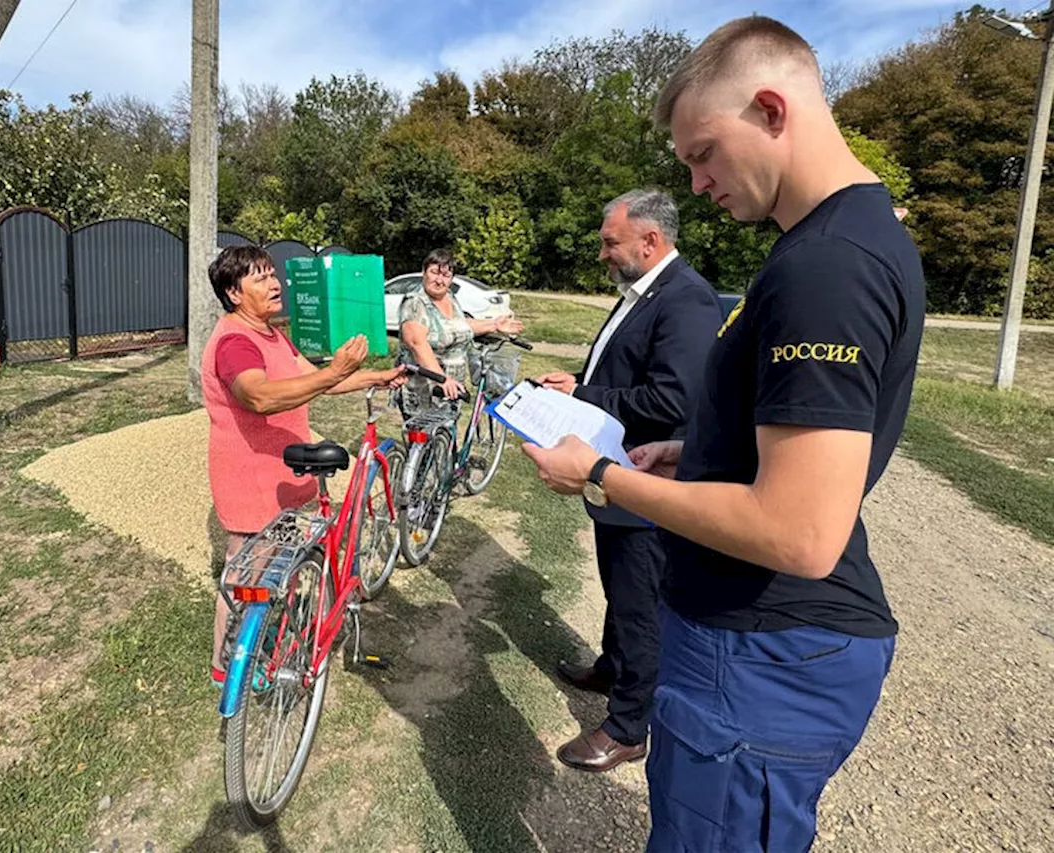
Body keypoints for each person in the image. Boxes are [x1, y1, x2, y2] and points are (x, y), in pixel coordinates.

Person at [522, 16, 925, 851]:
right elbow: (794, 440)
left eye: (703, 152)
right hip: (760, 646)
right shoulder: (829, 242)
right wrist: (696, 450)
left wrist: (601, 474)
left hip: (764, 653)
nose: (699, 183)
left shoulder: (826, 268)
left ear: (772, 109)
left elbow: (801, 531)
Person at [535, 189, 721, 772]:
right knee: (619, 583)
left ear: (650, 240)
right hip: (621, 474)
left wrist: (582, 396)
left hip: (648, 478)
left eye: (609, 243)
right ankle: (614, 666)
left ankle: (628, 724)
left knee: (641, 600)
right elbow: (625, 371)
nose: (602, 254)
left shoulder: (686, 300)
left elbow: (674, 397)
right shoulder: (646, 292)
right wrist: (580, 382)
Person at [201, 245, 407, 684]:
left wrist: (374, 376)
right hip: (250, 474)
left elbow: (309, 378)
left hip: (283, 469)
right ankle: (226, 669)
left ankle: (256, 646)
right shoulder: (235, 341)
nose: (275, 284)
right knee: (245, 571)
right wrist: (333, 372)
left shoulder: (271, 333)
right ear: (233, 293)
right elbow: (258, 397)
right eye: (260, 278)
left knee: (272, 563)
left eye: (273, 274)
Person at [396, 248, 523, 411]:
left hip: (451, 390)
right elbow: (417, 344)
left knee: (447, 435)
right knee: (426, 435)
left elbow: (458, 325)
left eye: (446, 275)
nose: (439, 281)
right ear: (424, 272)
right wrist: (441, 379)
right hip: (424, 390)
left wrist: (494, 325)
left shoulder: (449, 297)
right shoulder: (414, 303)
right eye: (434, 272)